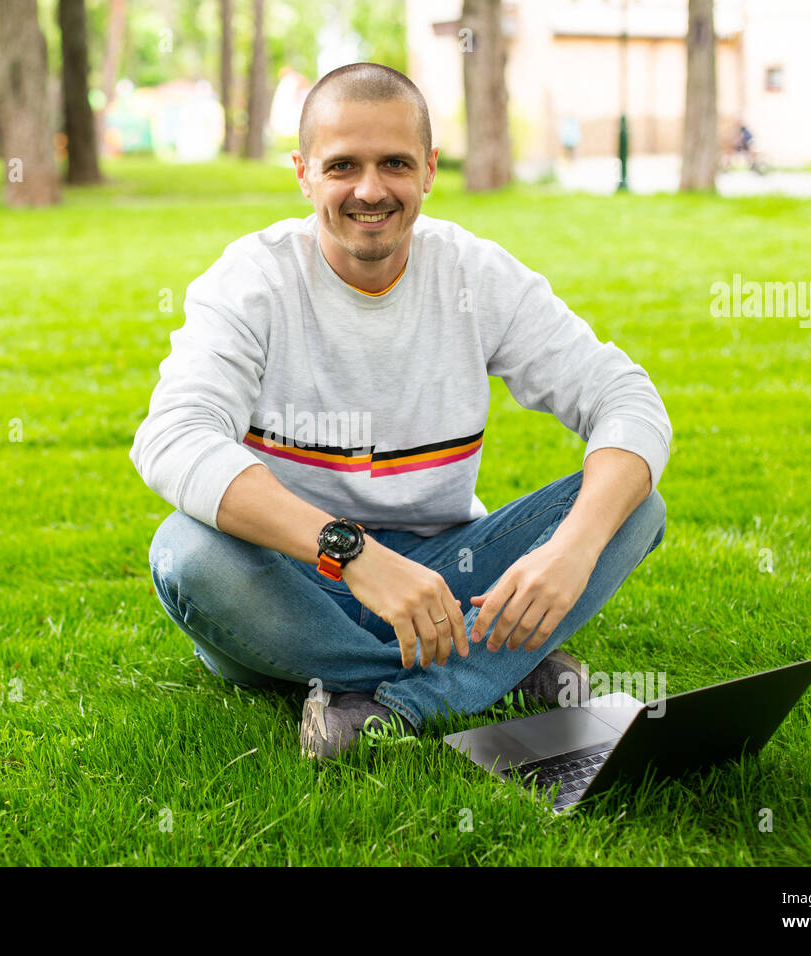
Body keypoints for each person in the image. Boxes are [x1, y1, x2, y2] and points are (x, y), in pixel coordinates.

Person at [130, 62, 670, 760]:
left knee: (634, 505)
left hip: (449, 574)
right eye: (342, 165)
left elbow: (625, 398)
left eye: (394, 163)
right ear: (303, 173)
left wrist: (570, 550)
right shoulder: (251, 281)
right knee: (186, 553)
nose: (369, 189)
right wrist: (351, 554)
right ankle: (494, 669)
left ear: (429, 169)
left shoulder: (477, 275)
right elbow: (172, 438)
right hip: (297, 578)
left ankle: (385, 701)